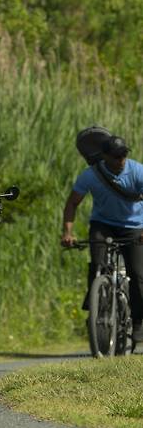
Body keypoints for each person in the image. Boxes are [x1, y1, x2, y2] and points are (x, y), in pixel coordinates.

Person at [61, 130, 143, 343]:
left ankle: (138, 323)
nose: (121, 160)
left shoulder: (137, 171)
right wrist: (67, 232)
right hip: (103, 225)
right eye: (116, 156)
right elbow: (72, 203)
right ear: (104, 156)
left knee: (137, 274)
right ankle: (96, 297)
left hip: (134, 226)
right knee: (97, 264)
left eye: (124, 155)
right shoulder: (91, 175)